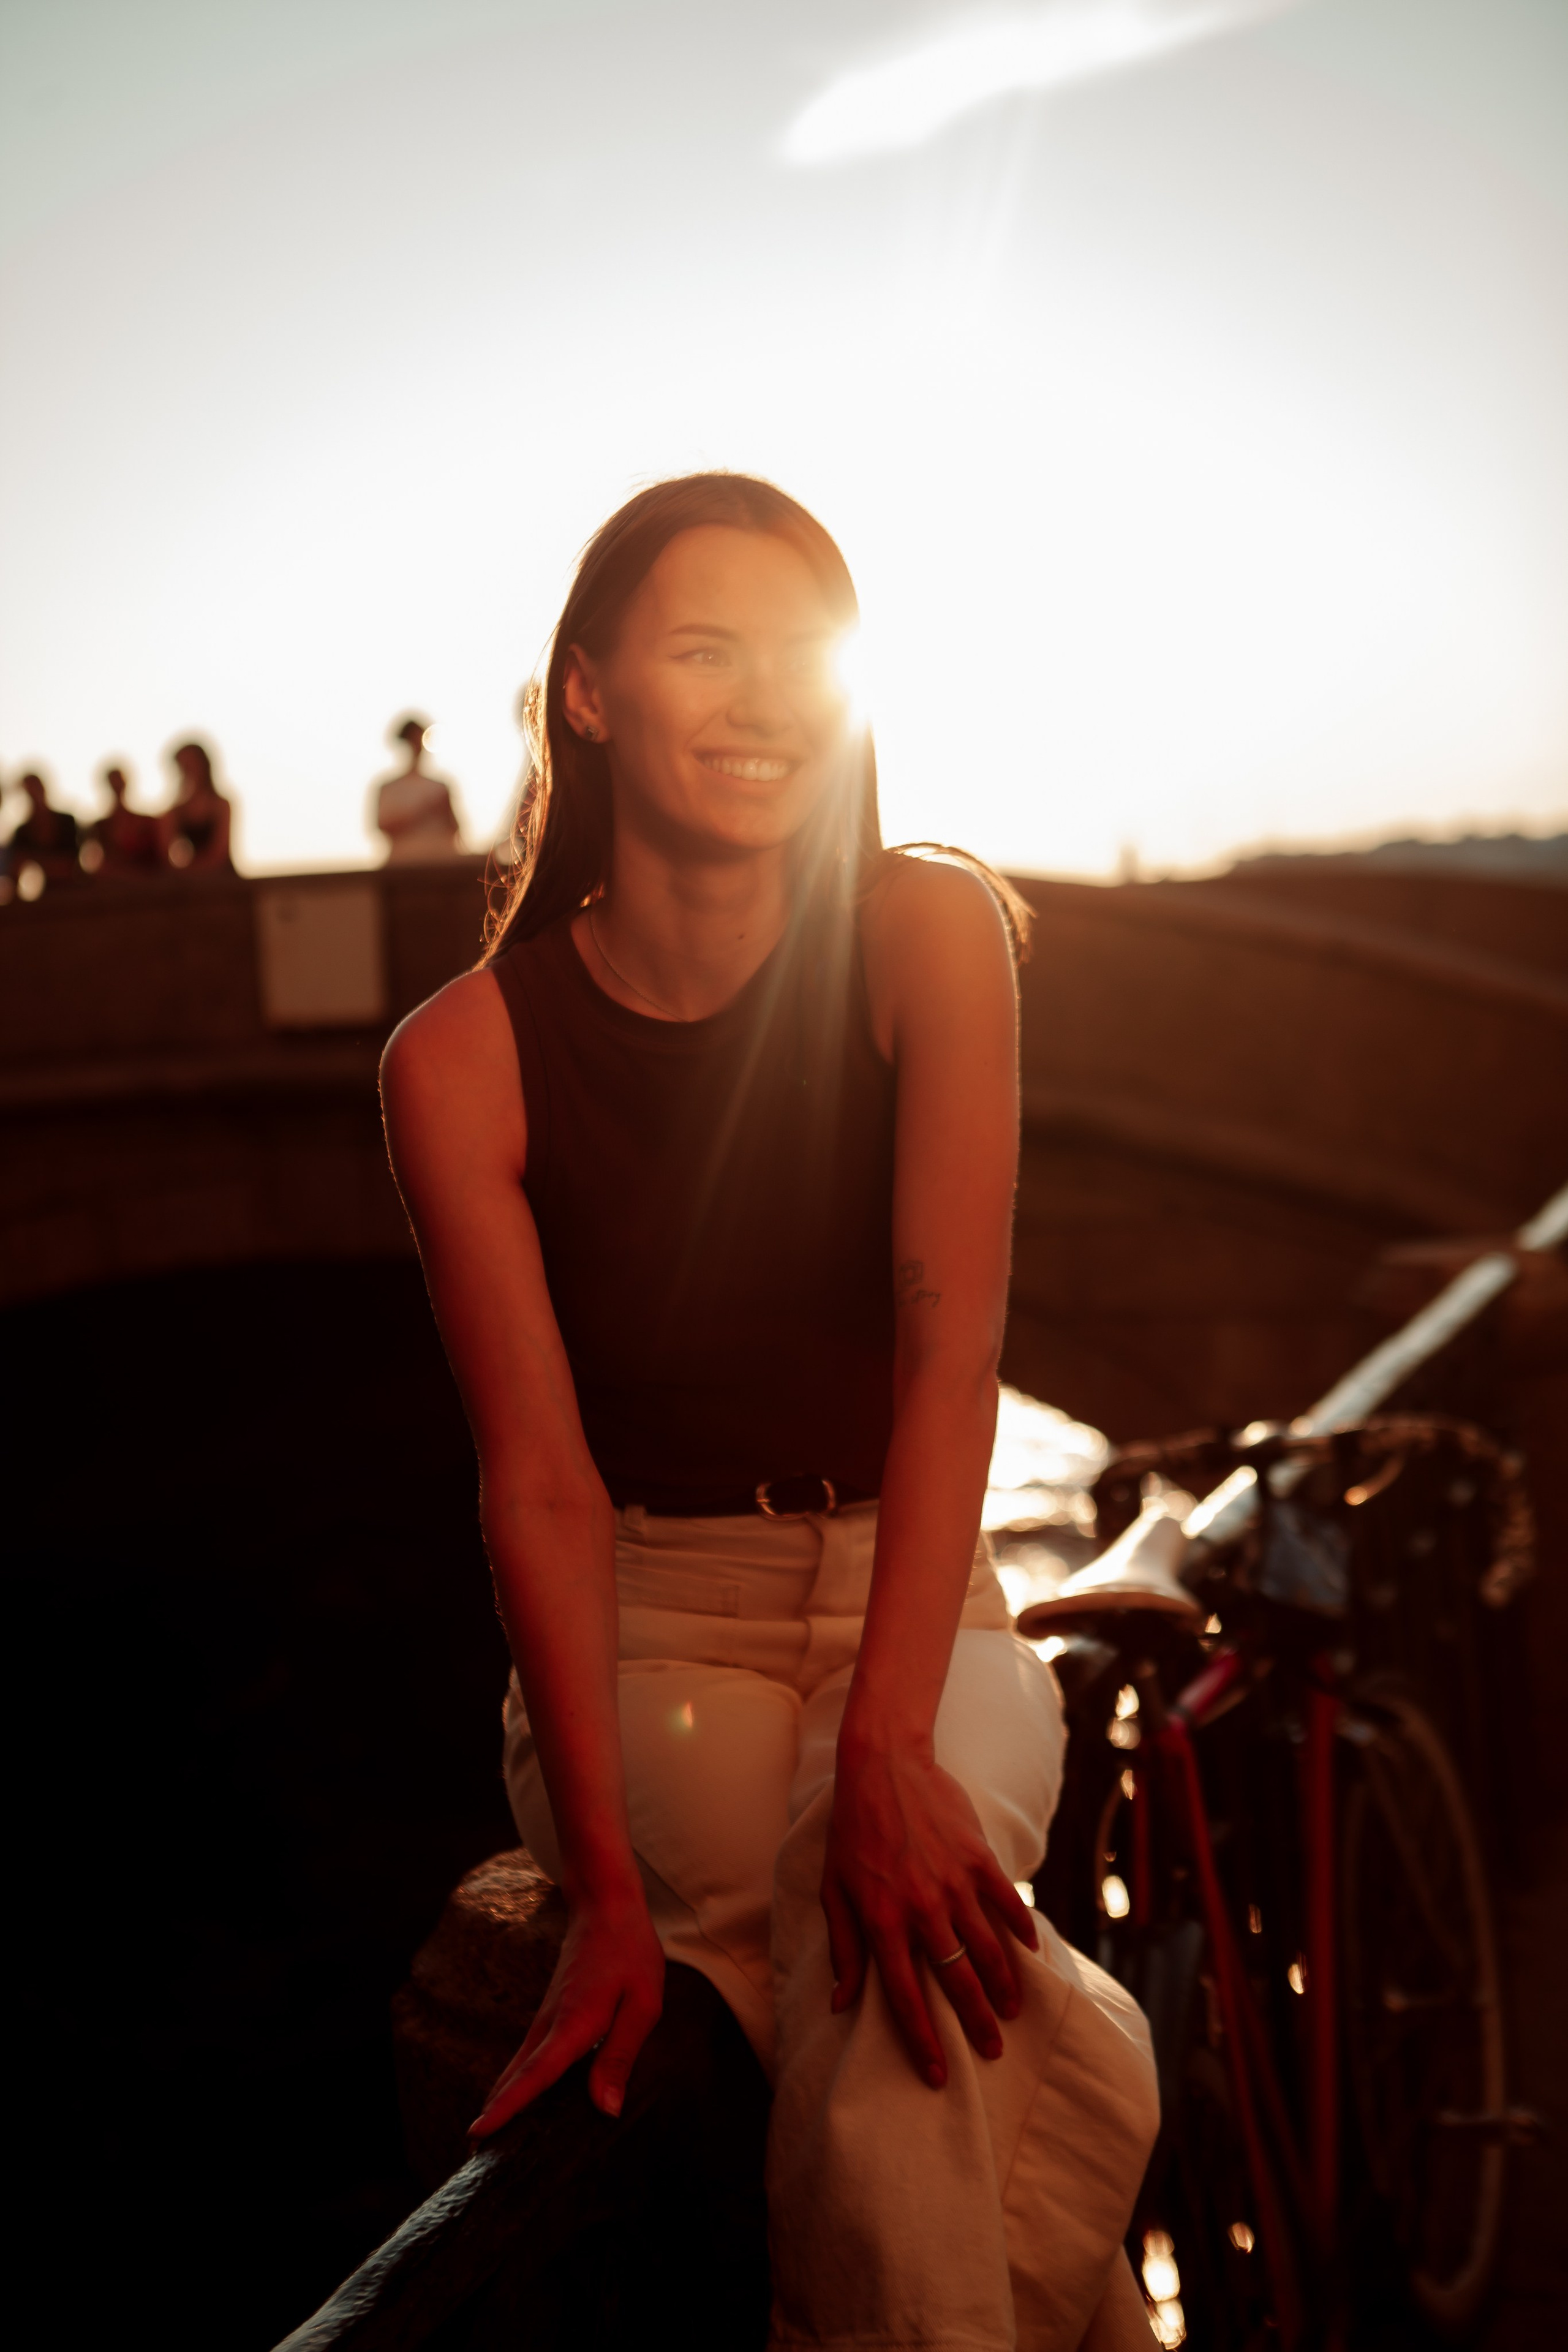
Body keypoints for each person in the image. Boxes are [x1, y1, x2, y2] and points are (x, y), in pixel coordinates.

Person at [379, 474, 1157, 2349]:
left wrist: (887, 1737)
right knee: (913, 1995)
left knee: (904, 1951)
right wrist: (608, 1887)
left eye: (795, 655)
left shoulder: (928, 932)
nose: (759, 700)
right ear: (587, 694)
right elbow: (542, 1490)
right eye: (698, 650)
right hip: (655, 1627)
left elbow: (939, 1344)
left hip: (916, 1595)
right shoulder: (460, 1055)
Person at [372, 714, 461, 862]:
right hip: (404, 864)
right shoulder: (389, 788)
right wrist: (425, 810)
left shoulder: (440, 786)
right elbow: (383, 826)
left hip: (440, 863)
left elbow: (455, 828)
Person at [159, 741, 233, 872]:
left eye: (191, 765)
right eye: (184, 767)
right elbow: (166, 853)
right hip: (190, 883)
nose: (188, 771)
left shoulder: (221, 806)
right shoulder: (177, 812)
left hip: (221, 881)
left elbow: (219, 854)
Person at [6, 771, 83, 889]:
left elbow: (71, 863)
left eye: (35, 790)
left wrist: (36, 861)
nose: (33, 796)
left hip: (70, 890)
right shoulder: (22, 832)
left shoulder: (67, 822)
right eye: (29, 793)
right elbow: (16, 869)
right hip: (38, 895)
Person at [91, 763, 162, 875]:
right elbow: (95, 860)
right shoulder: (101, 826)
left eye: (118, 782)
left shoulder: (146, 822)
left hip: (143, 878)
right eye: (113, 782)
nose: (116, 786)